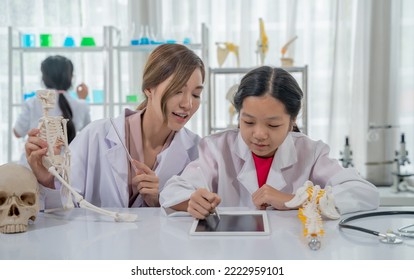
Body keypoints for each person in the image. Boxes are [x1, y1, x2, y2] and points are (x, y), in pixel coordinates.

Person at [160, 66, 380, 219]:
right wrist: (192, 200)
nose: (259, 134)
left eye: (273, 125)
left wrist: (294, 200)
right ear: (238, 115)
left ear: (293, 119)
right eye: (248, 122)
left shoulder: (310, 153)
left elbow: (364, 193)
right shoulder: (216, 148)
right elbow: (172, 191)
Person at [25, 44, 205, 209]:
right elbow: (62, 208)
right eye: (177, 91)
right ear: (149, 88)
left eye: (196, 94)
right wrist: (48, 182)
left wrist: (158, 201)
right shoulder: (95, 135)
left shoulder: (197, 151)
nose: (188, 104)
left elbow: (195, 220)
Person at [14, 55, 91, 144]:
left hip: (35, 156)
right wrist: (82, 99)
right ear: (70, 77)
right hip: (69, 157)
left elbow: (18, 133)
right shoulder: (81, 105)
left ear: (44, 77)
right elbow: (88, 133)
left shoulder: (32, 103)